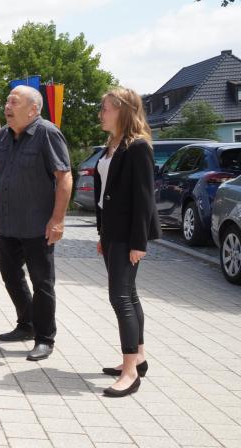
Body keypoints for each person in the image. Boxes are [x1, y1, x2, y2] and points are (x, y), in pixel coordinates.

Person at [0, 85, 73, 361]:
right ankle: (26, 324)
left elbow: (64, 178)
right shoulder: (2, 136)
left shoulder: (47, 133)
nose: (8, 107)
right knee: (10, 274)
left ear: (33, 109)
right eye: (7, 101)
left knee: (42, 282)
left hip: (38, 225)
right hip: (9, 224)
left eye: (14, 102)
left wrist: (57, 220)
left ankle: (45, 337)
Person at [93, 87, 160, 397]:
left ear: (122, 110)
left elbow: (144, 199)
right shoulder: (114, 144)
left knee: (119, 297)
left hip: (127, 235)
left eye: (106, 108)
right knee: (129, 295)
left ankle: (130, 371)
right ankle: (139, 357)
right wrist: (101, 233)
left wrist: (138, 242)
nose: (101, 113)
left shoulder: (138, 147)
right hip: (112, 232)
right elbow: (106, 192)